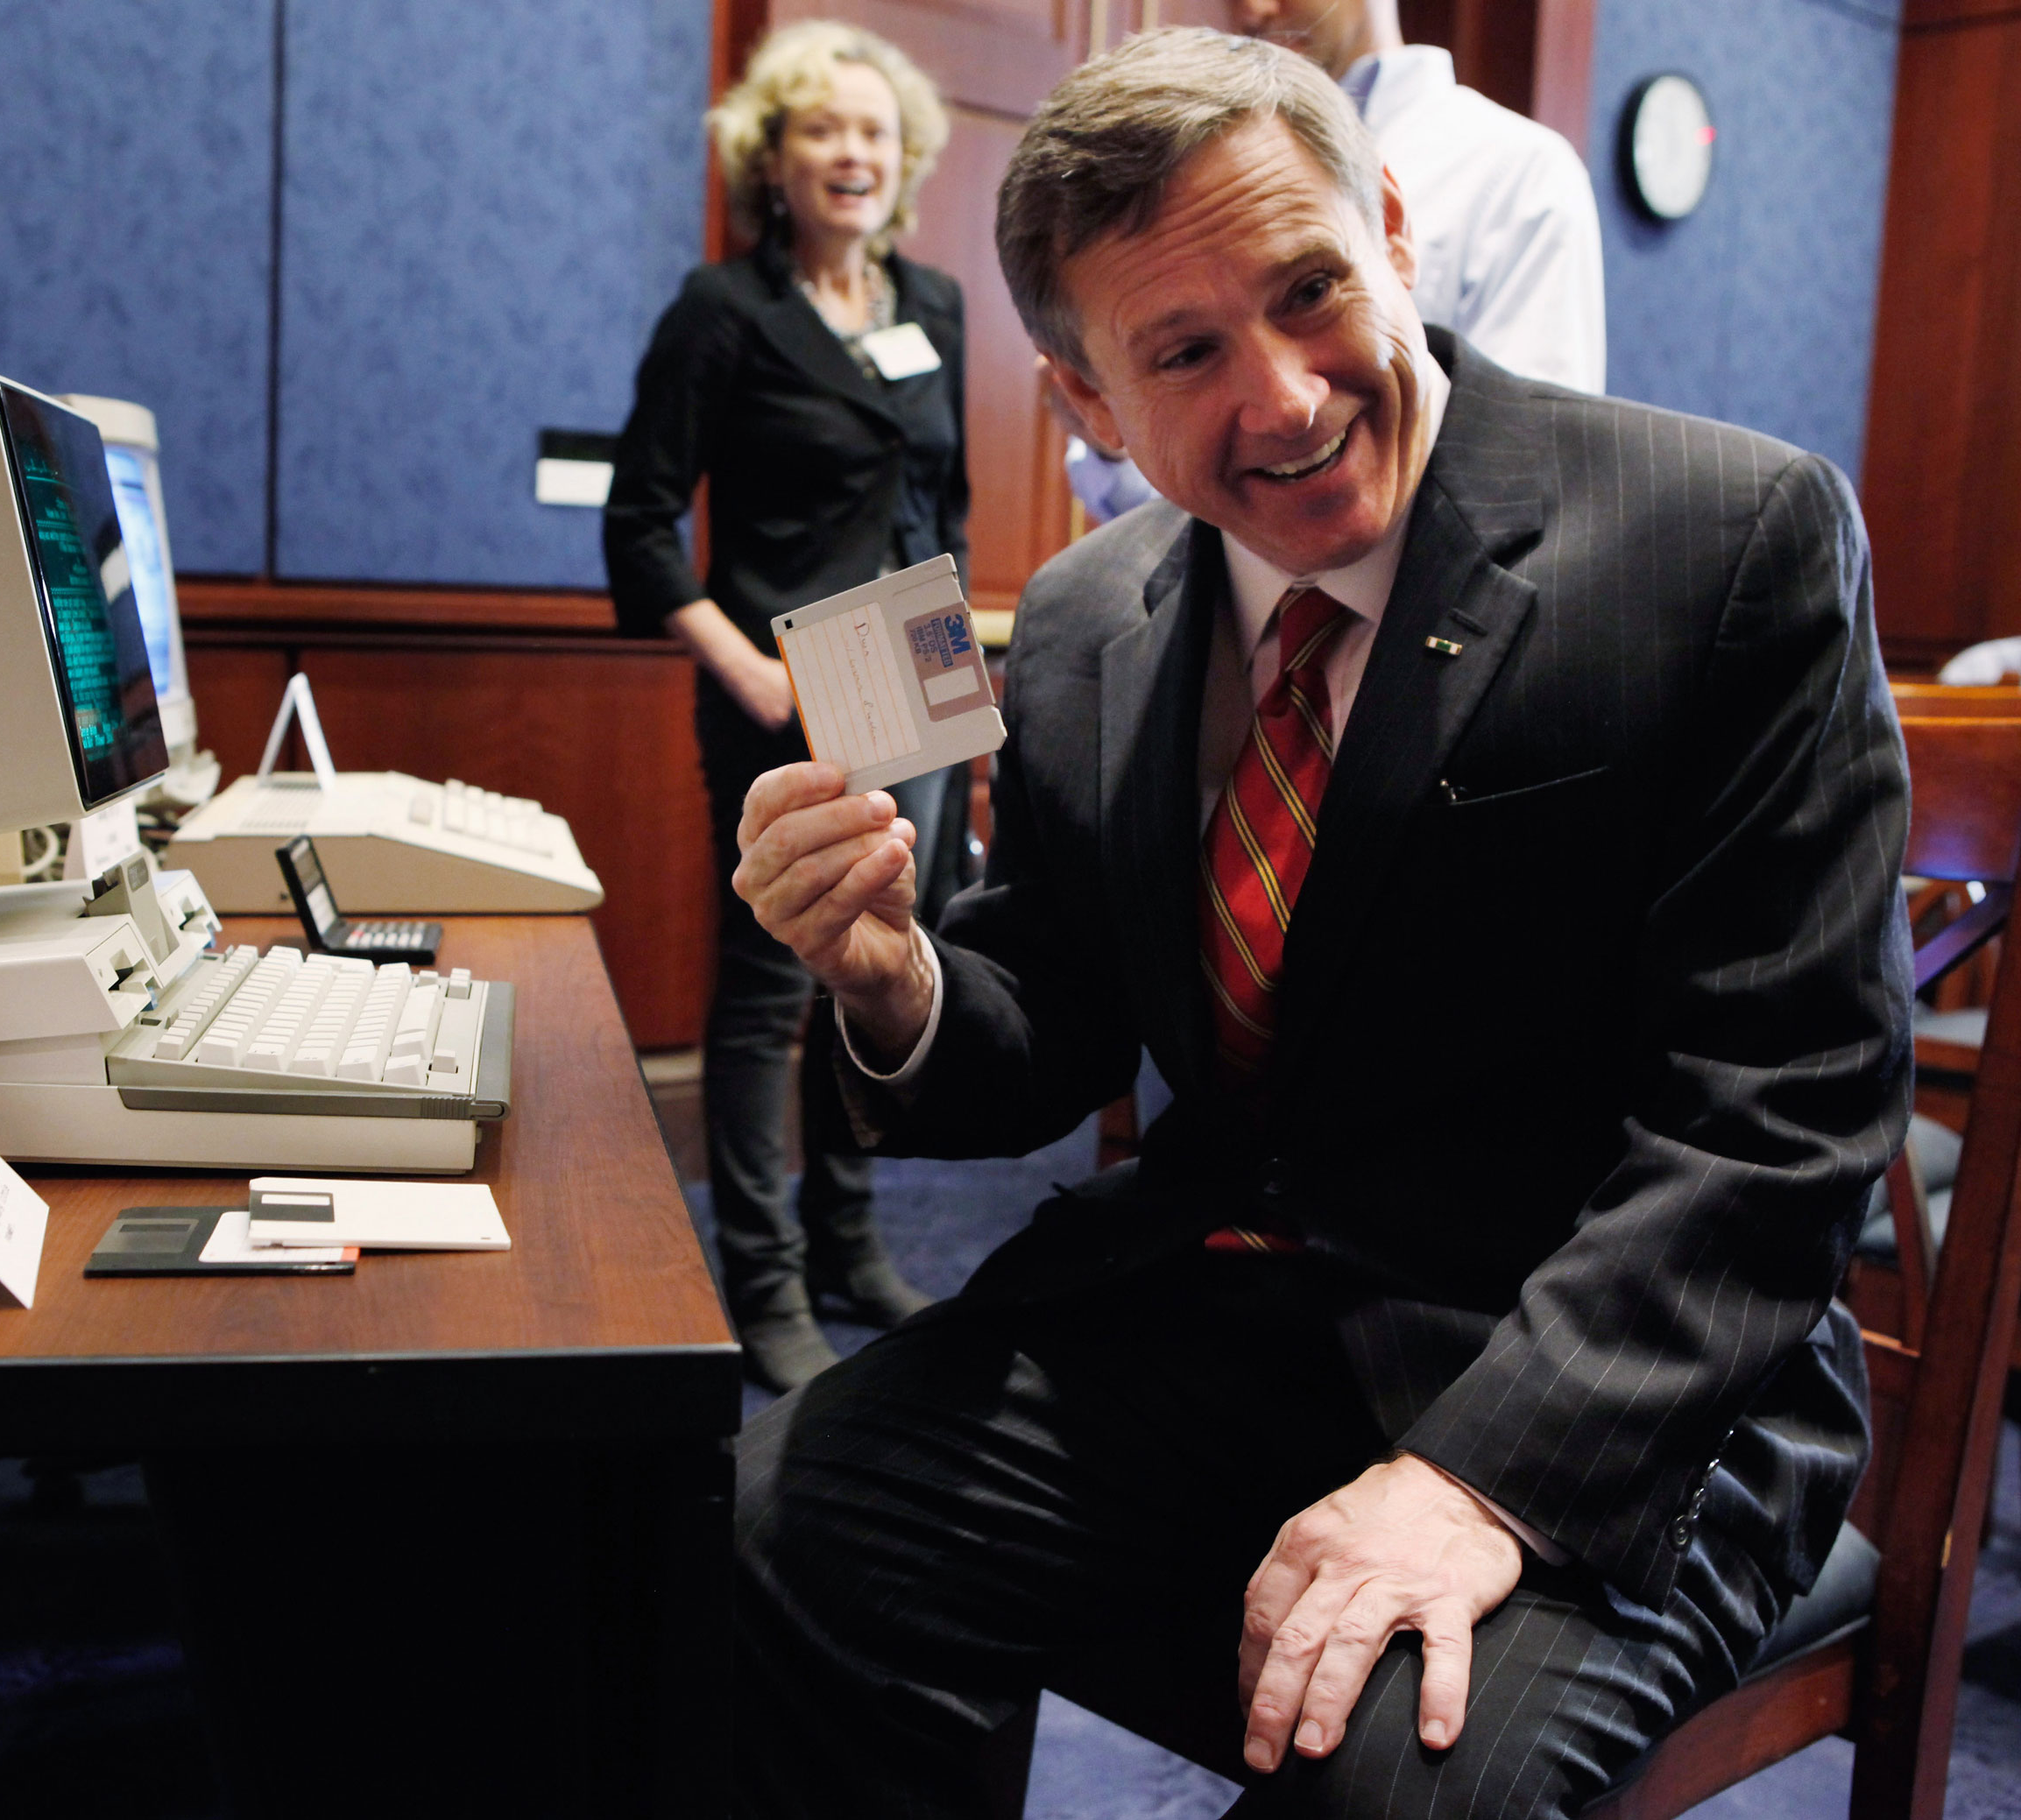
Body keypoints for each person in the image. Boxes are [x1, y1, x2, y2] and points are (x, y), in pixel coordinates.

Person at [729, 27, 1908, 1819]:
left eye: (1310, 290)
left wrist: (1478, 1479)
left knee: (1396, 1774)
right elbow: (1044, 1014)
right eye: (1187, 351)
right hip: (1244, 1319)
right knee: (803, 1510)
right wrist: (892, 977)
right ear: (1089, 408)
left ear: (1400, 238)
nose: (1282, 396)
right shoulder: (1081, 619)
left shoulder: (1723, 540)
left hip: (1624, 1377)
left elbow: (1787, 1108)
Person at [605, 20, 966, 1391]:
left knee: (880, 968)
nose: (854, 153)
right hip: (778, 695)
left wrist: (956, 671)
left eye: (875, 132)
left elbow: (947, 510)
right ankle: (759, 1280)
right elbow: (641, 528)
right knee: (768, 994)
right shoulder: (721, 311)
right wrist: (747, 667)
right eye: (825, 129)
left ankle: (849, 1244)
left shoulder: (934, 301)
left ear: (905, 156)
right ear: (775, 156)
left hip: (916, 678)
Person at [1063, 0, 1605, 523]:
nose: (1256, 8)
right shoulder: (1196, 185)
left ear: (1394, 226)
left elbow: (1527, 461)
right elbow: (1192, 532)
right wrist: (1119, 444)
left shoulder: (1514, 168)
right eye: (1189, 352)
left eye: (1312, 292)